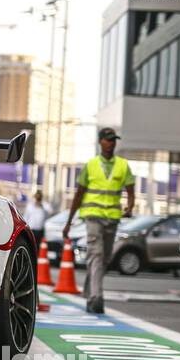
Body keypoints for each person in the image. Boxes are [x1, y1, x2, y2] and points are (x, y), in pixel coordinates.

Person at [64, 127, 135, 314]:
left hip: (112, 219)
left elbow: (131, 191)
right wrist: (68, 221)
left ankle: (89, 291)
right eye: (108, 139)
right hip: (93, 217)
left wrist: (130, 206)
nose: (111, 143)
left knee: (104, 258)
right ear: (100, 142)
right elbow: (79, 195)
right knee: (95, 255)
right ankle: (97, 297)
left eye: (114, 140)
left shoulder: (123, 165)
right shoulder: (91, 165)